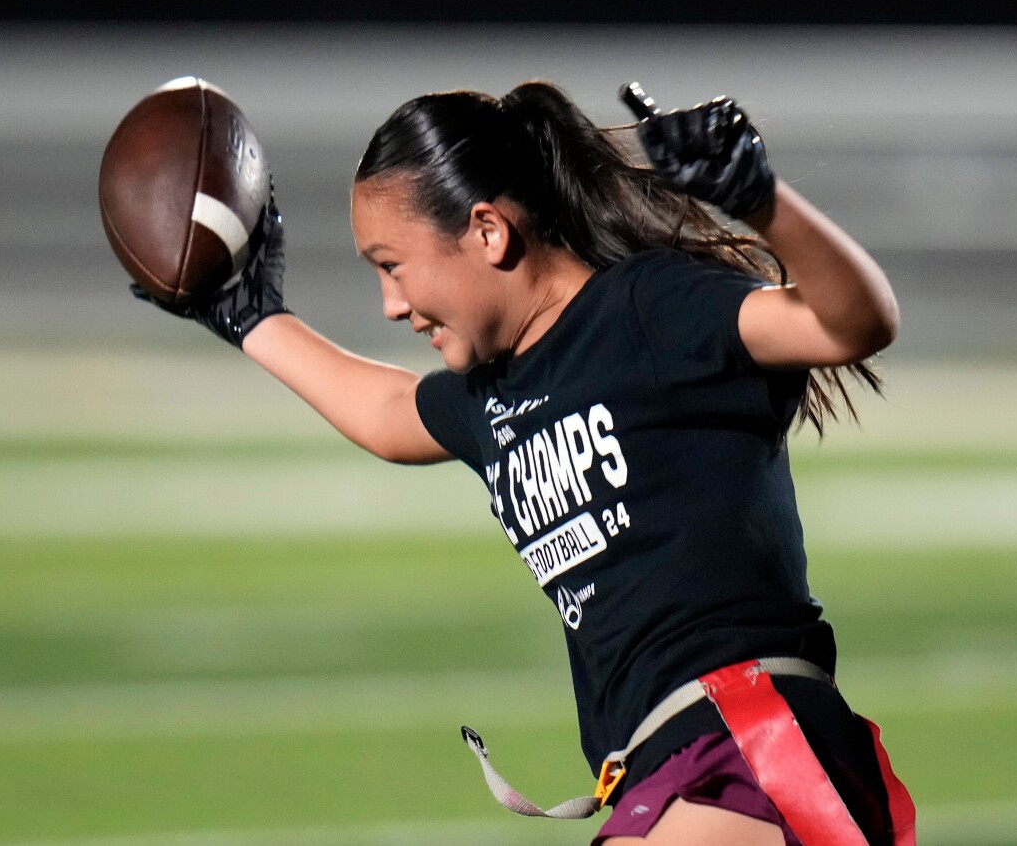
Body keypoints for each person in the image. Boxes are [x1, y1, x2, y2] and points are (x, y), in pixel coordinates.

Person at [133, 79, 915, 846]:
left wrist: (760, 198)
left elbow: (854, 322)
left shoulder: (647, 311)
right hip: (660, 771)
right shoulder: (492, 394)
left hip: (754, 736)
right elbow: (385, 413)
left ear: (487, 231)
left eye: (392, 265)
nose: (389, 305)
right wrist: (249, 317)